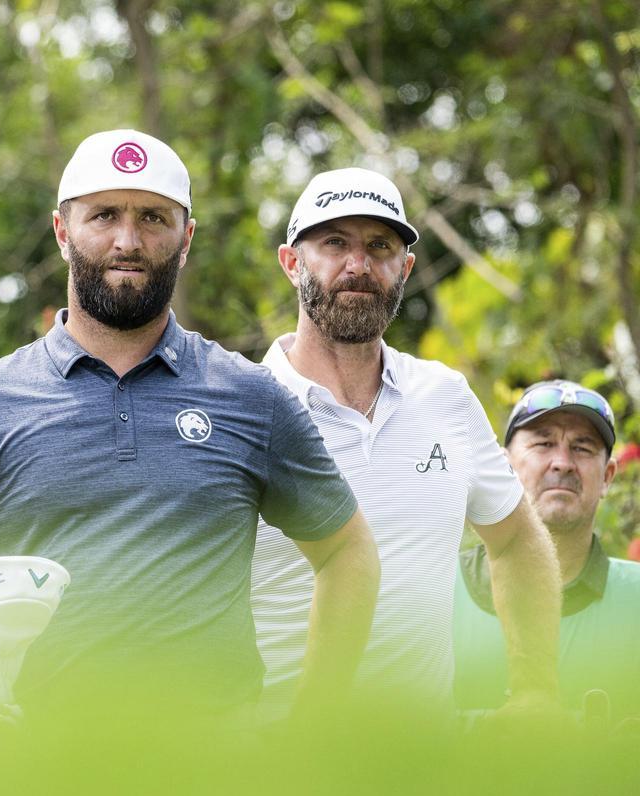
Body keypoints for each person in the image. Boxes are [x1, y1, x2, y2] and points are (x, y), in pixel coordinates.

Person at [0, 130, 380, 718]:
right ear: (61, 231)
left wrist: (313, 722)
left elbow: (347, 554)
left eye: (154, 218)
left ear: (186, 240)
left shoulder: (251, 396)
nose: (128, 241)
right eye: (104, 215)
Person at [249, 167, 562, 719]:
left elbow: (516, 543)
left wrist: (535, 690)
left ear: (406, 267)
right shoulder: (244, 405)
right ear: (291, 263)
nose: (358, 265)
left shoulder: (445, 396)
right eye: (334, 243)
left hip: (421, 760)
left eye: (380, 246)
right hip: (277, 757)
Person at [453, 380, 640, 719]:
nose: (562, 463)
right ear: (504, 466)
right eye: (543, 443)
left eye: (582, 448)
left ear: (609, 476)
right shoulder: (438, 588)